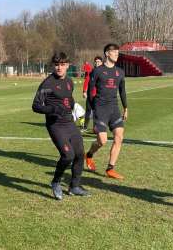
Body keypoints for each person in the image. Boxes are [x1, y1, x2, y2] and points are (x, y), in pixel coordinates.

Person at [32, 52, 89, 200]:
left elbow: (68, 99)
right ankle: (56, 182)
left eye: (62, 65)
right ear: (53, 65)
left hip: (70, 123)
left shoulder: (69, 81)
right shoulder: (47, 83)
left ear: (67, 65)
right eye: (56, 65)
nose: (59, 68)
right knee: (68, 155)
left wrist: (74, 107)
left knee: (79, 154)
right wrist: (52, 109)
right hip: (55, 125)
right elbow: (36, 106)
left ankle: (74, 186)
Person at [85, 44, 128, 180]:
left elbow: (122, 91)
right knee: (102, 141)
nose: (117, 54)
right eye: (114, 52)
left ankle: (110, 168)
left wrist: (126, 108)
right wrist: (93, 109)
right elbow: (91, 91)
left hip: (114, 108)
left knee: (119, 137)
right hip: (100, 109)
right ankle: (89, 155)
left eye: (117, 52)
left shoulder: (120, 72)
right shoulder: (97, 71)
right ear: (107, 54)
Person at [82, 56, 103, 131]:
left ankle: (95, 127)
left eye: (99, 62)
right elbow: (86, 81)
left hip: (99, 95)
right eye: (96, 62)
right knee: (88, 110)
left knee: (97, 111)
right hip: (90, 94)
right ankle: (85, 126)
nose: (97, 63)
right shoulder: (91, 72)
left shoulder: (104, 72)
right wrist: (84, 91)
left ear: (101, 63)